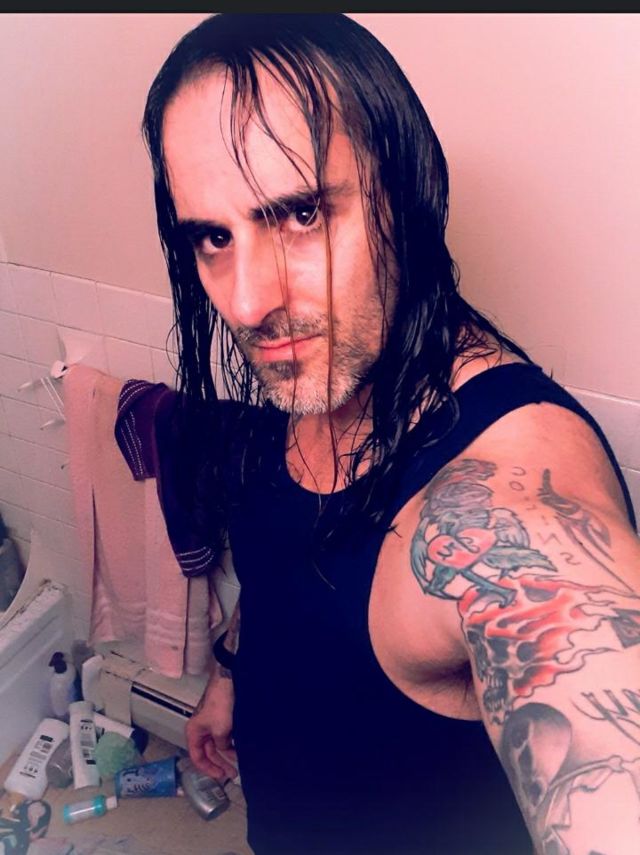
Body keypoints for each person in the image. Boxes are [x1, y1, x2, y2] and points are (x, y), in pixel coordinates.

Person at [123, 12, 640, 854]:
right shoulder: (312, 371)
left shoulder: (503, 497)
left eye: (300, 214)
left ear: (407, 191)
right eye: (214, 237)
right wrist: (229, 676)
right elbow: (284, 563)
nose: (248, 302)